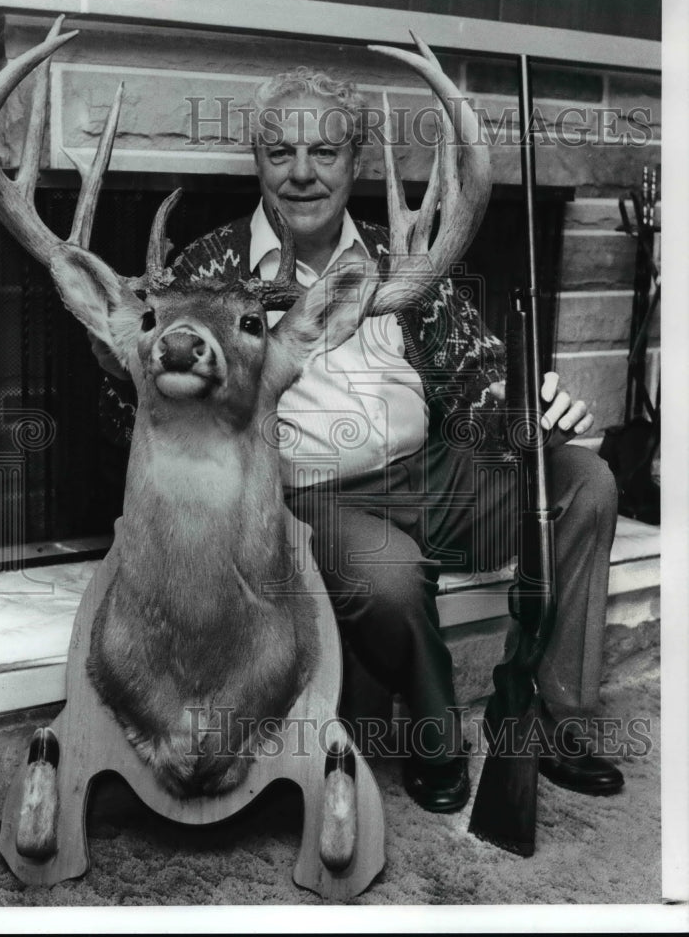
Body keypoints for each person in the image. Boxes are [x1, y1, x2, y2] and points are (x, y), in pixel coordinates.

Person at [103, 65, 624, 813]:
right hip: (309, 496)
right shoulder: (205, 271)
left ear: (357, 161)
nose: (302, 173)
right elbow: (141, 415)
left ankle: (555, 716)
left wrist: (524, 416)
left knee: (583, 481)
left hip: (431, 473)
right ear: (257, 159)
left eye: (325, 152)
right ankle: (432, 734)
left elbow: (474, 376)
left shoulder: (401, 257)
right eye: (280, 152)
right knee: (386, 572)